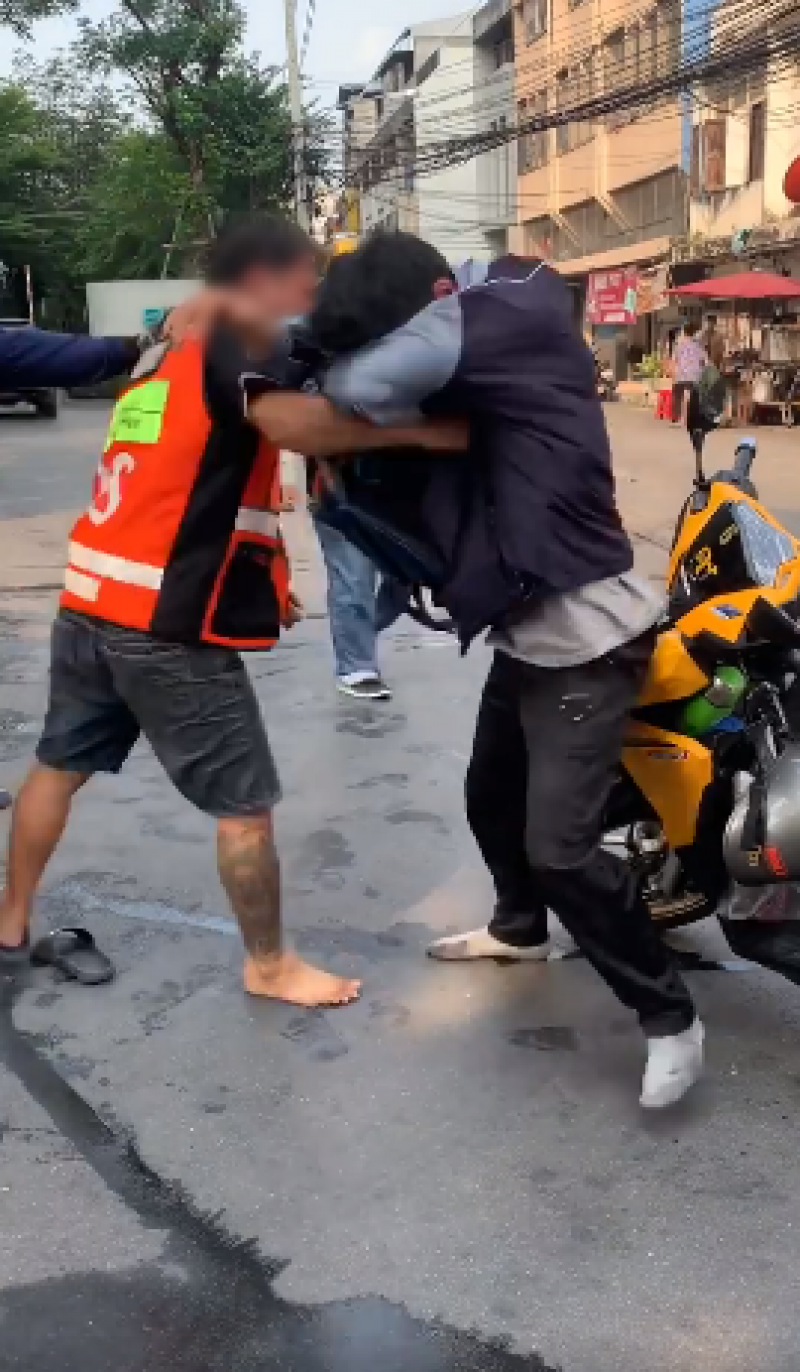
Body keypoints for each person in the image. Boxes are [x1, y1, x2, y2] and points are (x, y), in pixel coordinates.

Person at [254, 234, 702, 1108]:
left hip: (588, 641)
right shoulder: (474, 336)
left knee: (561, 850)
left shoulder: (507, 311)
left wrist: (357, 393)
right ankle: (521, 928)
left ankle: (670, 1016)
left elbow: (355, 386)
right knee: (488, 798)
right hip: (527, 634)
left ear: (436, 296)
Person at [0, 216, 462, 1005]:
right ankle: (270, 965)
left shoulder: (162, 358)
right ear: (261, 279)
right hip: (165, 625)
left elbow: (191, 480)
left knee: (58, 766)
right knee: (245, 806)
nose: (314, 295)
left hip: (90, 600)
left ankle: (9, 927)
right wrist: (429, 434)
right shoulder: (243, 340)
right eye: (305, 278)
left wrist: (267, 579)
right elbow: (289, 424)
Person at [308, 458, 391, 700]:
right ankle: (357, 667)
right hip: (342, 482)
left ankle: (359, 639)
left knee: (398, 579)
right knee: (353, 576)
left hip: (392, 482)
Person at [670, 319, 706, 425]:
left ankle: (678, 418)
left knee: (678, 396)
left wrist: (673, 372)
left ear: (684, 332)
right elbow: (704, 360)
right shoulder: (698, 345)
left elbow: (674, 360)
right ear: (694, 332)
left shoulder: (678, 344)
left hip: (681, 374)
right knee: (693, 396)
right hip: (695, 375)